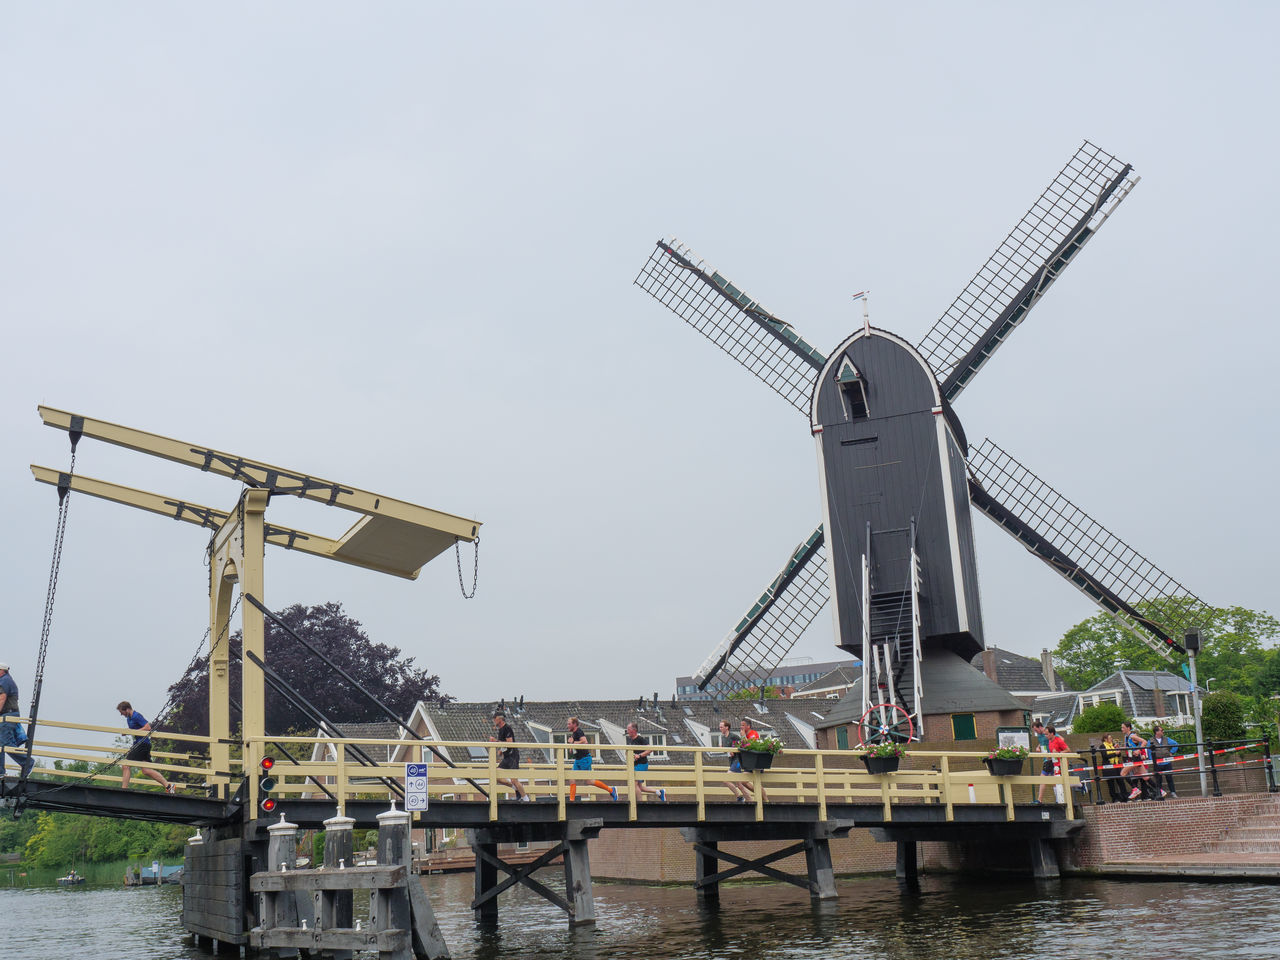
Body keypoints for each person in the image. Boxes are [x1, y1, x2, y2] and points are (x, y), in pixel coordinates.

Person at [116, 701, 174, 793]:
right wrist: (127, 731)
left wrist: (134, 732)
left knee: (126, 766)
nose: (121, 714)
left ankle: (123, 790)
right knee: (146, 770)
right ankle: (168, 786)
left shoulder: (136, 716)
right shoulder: (129, 719)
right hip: (141, 744)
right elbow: (134, 730)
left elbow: (148, 728)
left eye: (121, 712)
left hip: (142, 744)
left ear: (127, 709)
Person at [566, 717, 615, 801]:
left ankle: (611, 790)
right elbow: (574, 747)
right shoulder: (573, 734)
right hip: (578, 759)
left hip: (584, 759)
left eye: (569, 724)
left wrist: (573, 742)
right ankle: (571, 800)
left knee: (589, 781)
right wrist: (571, 746)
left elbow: (585, 742)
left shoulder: (579, 731)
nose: (568, 725)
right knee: (572, 778)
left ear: (574, 724)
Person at [0, 663, 34, 779]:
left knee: (4, 743)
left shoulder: (4, 681)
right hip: (7, 714)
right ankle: (0, 771)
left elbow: (2, 697)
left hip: (7, 715)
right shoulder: (6, 680)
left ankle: (27, 762)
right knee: (1, 743)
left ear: (2, 671)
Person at [490, 713, 529, 800]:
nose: (493, 720)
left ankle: (526, 799)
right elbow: (503, 743)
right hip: (507, 757)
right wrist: (500, 751)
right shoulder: (500, 730)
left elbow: (510, 743)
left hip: (513, 756)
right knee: (497, 775)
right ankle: (515, 788)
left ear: (500, 719)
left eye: (494, 718)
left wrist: (495, 741)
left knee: (514, 780)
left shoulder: (507, 728)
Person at [625, 722, 666, 801]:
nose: (627, 731)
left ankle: (639, 803)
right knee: (640, 787)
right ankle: (659, 792)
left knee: (633, 784)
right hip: (635, 764)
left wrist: (639, 755)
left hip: (641, 764)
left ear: (634, 730)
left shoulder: (640, 739)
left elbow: (650, 749)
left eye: (628, 729)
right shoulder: (631, 740)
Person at [719, 719, 752, 802]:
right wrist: (722, 749)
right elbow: (726, 750)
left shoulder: (733, 736)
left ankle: (739, 797)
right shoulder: (722, 738)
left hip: (738, 761)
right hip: (731, 761)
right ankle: (751, 801)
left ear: (727, 727)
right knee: (739, 784)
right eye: (719, 727)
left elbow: (742, 745)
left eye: (721, 727)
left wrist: (734, 750)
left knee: (725, 779)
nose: (720, 728)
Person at [1121, 721, 1153, 800]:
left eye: (1123, 727)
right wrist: (1118, 747)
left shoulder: (1132, 736)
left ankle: (1135, 789)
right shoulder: (1125, 737)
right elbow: (1126, 748)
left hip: (1135, 758)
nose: (1121, 729)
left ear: (1128, 728)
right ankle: (1159, 790)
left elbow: (1144, 741)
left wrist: (1139, 750)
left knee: (1123, 773)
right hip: (1131, 758)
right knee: (1145, 777)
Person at [1038, 724, 1070, 803]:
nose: (1046, 736)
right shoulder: (1049, 741)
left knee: (1057, 782)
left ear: (1052, 734)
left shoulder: (1058, 740)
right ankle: (1041, 799)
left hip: (1060, 764)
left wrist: (1058, 752)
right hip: (1053, 762)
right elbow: (1052, 752)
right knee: (1044, 777)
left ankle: (1059, 800)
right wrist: (1049, 756)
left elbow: (1068, 750)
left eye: (1047, 734)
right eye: (1045, 734)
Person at [738, 719, 768, 801]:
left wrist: (743, 737)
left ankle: (766, 800)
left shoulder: (753, 734)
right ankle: (763, 798)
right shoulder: (744, 735)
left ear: (748, 726)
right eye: (741, 725)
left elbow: (749, 746)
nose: (741, 727)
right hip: (749, 762)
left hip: (756, 761)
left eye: (743, 725)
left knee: (756, 782)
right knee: (743, 781)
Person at [1147, 724, 1178, 798]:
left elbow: (1175, 744)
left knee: (1169, 778)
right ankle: (1159, 793)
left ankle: (1173, 792)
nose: (1163, 731)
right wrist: (1152, 760)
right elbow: (1148, 751)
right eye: (1161, 730)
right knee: (1158, 779)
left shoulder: (1166, 739)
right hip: (1158, 763)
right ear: (1157, 732)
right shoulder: (1150, 740)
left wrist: (1172, 752)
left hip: (1167, 761)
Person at [1100, 732, 1129, 802]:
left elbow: (1119, 755)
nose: (1111, 739)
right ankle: (1114, 798)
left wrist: (1118, 751)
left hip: (1116, 765)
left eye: (1111, 738)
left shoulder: (1113, 745)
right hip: (1108, 766)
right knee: (1111, 783)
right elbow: (1105, 756)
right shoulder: (1102, 746)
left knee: (1121, 781)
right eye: (1110, 738)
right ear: (1105, 739)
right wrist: (1114, 753)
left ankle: (1125, 797)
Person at [1031, 719, 1051, 802]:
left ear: (1040, 727)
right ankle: (1079, 785)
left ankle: (1039, 800)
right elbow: (1042, 742)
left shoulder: (1048, 733)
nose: (1036, 732)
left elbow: (1058, 738)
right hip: (1046, 759)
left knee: (1042, 778)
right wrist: (1038, 747)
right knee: (1054, 781)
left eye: (1036, 730)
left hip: (1051, 758)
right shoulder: (1039, 735)